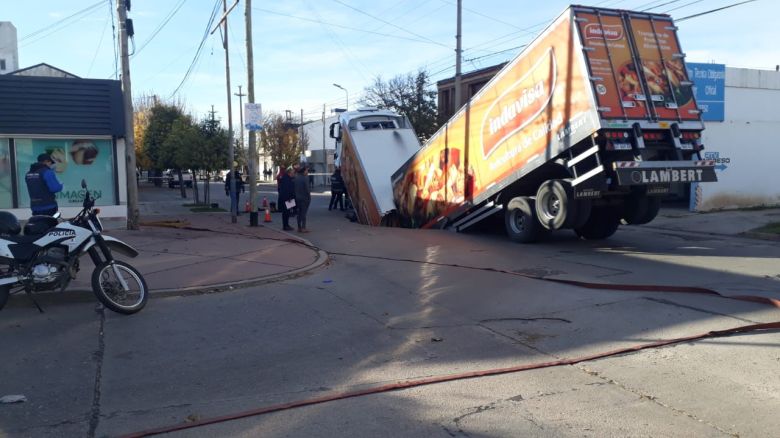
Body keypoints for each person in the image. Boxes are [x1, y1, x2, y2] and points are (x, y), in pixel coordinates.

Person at [294, 166, 311, 232]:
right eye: (307, 171)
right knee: (304, 213)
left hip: (297, 198)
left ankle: (299, 227)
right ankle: (303, 227)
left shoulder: (296, 178)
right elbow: (307, 189)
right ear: (303, 171)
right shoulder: (305, 178)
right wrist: (309, 197)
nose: (307, 172)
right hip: (304, 198)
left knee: (299, 213)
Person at [278, 167, 295, 231]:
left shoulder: (288, 178)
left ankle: (287, 225)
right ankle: (285, 226)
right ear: (289, 173)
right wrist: (289, 198)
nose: (294, 174)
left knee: (288, 213)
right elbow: (287, 190)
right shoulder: (286, 179)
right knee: (286, 213)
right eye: (293, 173)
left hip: (288, 198)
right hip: (287, 199)